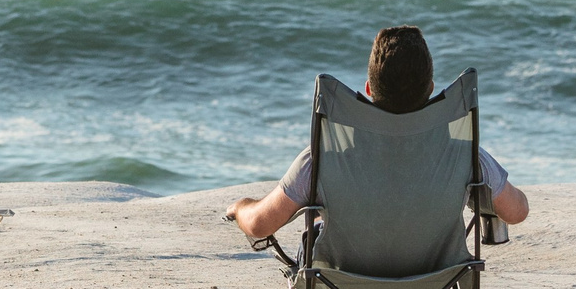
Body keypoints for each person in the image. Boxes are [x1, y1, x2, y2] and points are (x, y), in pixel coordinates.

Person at [224, 25, 530, 242]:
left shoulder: (324, 158)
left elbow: (260, 225)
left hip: (345, 279)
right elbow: (517, 212)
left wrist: (240, 208)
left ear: (369, 90)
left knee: (320, 219)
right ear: (431, 90)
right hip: (435, 275)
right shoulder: (464, 154)